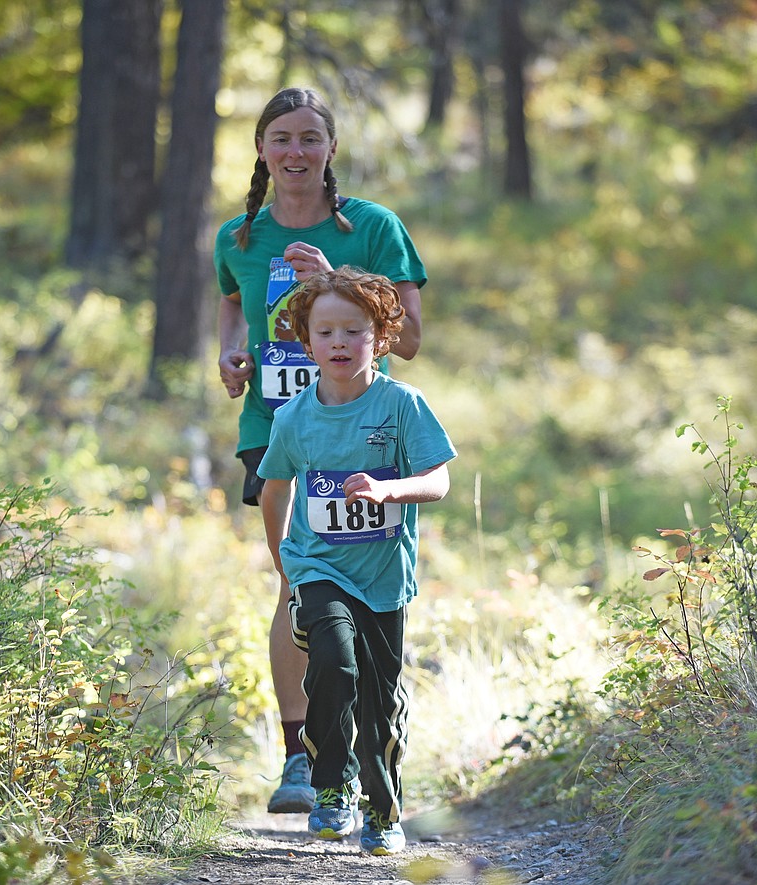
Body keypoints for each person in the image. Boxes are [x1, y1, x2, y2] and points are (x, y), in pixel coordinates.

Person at [213, 86, 427, 814]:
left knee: (367, 587)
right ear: (262, 150)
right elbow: (235, 306)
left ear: (330, 148)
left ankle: (373, 740)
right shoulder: (237, 237)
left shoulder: (372, 227)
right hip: (279, 428)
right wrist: (231, 353)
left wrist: (334, 285)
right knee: (295, 585)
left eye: (310, 138)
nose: (296, 152)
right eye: (282, 139)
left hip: (366, 429)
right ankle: (300, 758)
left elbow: (415, 338)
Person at [257, 267, 455, 854]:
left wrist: (390, 491)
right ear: (306, 340)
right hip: (318, 568)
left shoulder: (402, 406)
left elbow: (438, 480)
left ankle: (382, 810)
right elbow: (274, 488)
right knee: (335, 666)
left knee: (380, 697)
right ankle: (332, 789)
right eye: (326, 332)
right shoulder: (295, 416)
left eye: (355, 330)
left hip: (383, 578)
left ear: (382, 336)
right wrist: (283, 562)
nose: (339, 342)